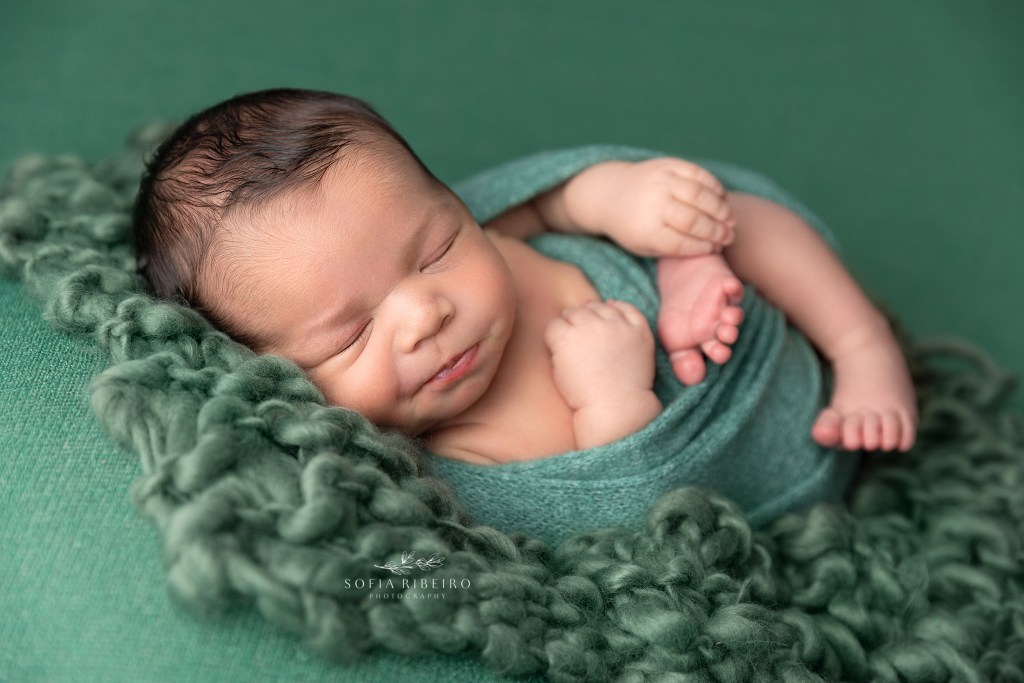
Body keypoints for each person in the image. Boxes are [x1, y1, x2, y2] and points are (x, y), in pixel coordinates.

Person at [134, 88, 917, 467]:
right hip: (765, 444)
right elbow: (624, 522)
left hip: (726, 303)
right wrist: (613, 402)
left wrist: (614, 197)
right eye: (352, 332)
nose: (425, 313)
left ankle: (859, 344)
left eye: (435, 250)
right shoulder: (457, 462)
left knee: (739, 216)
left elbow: (536, 200)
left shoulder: (484, 225)